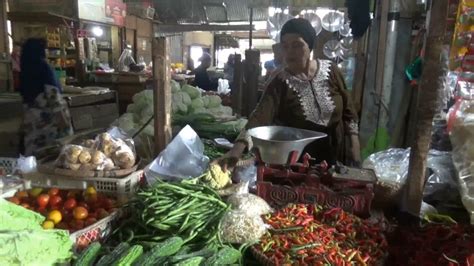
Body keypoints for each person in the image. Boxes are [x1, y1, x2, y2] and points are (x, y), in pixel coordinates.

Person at [218, 18, 361, 166]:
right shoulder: (279, 82)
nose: (290, 52)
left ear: (310, 46)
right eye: (285, 46)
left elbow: (349, 111)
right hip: (298, 162)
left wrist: (354, 145)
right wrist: (236, 152)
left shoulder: (331, 71)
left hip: (336, 154)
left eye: (297, 45)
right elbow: (259, 117)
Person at [19, 38, 73, 156]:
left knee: (35, 154)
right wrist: (62, 120)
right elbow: (53, 95)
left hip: (32, 119)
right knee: (55, 153)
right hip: (49, 119)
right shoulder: (44, 67)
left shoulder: (25, 69)